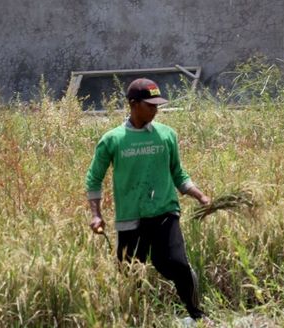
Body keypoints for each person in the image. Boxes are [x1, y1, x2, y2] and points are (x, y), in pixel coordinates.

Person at [85, 77, 211, 322]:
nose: (155, 109)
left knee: (177, 265)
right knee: (131, 277)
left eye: (157, 105)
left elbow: (178, 173)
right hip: (130, 219)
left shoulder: (167, 135)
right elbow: (93, 179)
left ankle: (199, 317)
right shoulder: (113, 139)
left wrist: (200, 195)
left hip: (165, 212)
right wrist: (96, 214)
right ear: (133, 104)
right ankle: (138, 321)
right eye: (150, 105)